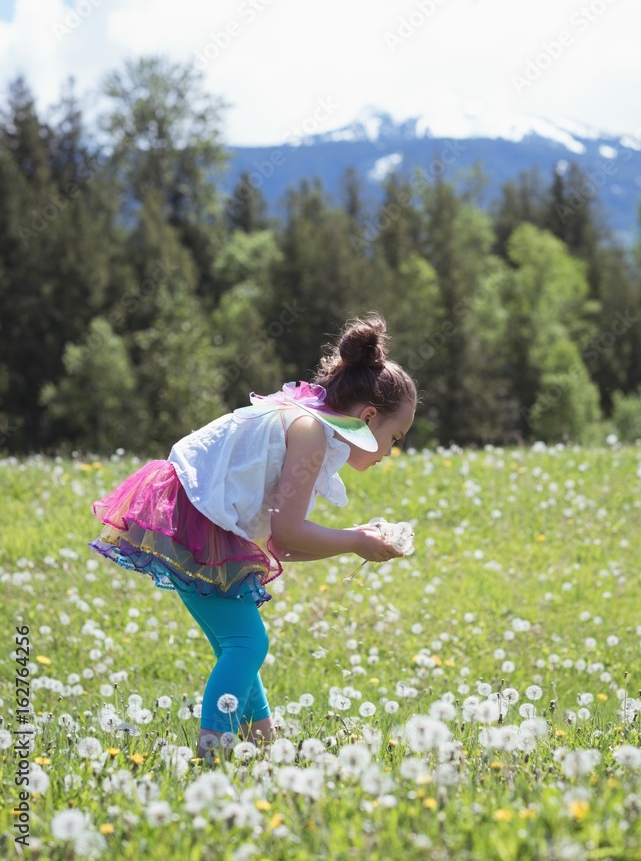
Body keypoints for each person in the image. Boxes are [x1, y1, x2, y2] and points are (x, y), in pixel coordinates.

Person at [88, 312, 417, 758]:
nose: (390, 452)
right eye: (394, 438)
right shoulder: (311, 432)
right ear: (369, 415)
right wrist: (356, 541)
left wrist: (352, 539)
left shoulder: (314, 425)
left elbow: (282, 544)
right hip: (197, 516)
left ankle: (261, 746)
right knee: (248, 643)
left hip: (204, 517)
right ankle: (213, 752)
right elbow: (287, 531)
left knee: (238, 642)